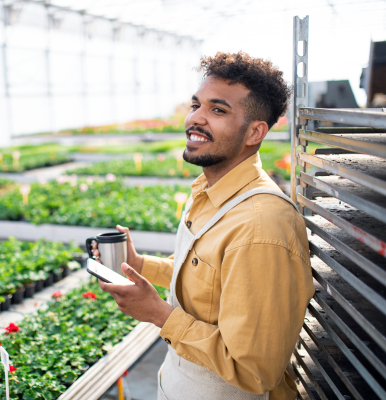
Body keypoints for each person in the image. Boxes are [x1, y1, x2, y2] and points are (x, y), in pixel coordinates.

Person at [94, 51, 314, 400]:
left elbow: (254, 370)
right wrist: (139, 265)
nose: (195, 118)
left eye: (218, 110)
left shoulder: (261, 228)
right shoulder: (208, 192)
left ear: (255, 132)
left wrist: (158, 314)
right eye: (195, 105)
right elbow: (209, 281)